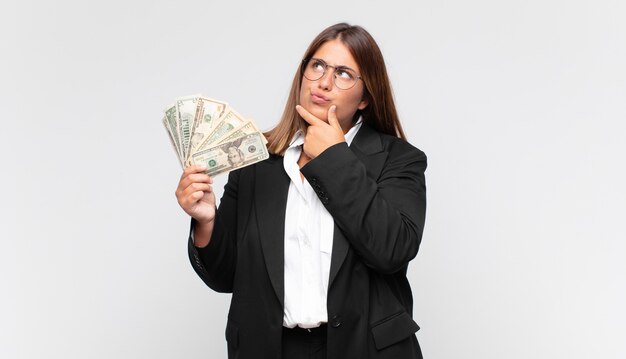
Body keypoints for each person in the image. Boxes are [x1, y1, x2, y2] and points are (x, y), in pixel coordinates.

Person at [175, 23, 427, 359]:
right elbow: (226, 277)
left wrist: (335, 157)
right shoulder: (255, 159)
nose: (324, 81)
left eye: (344, 74)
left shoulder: (398, 160)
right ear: (303, 74)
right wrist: (206, 221)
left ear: (365, 97)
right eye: (318, 66)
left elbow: (392, 249)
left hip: (364, 349)